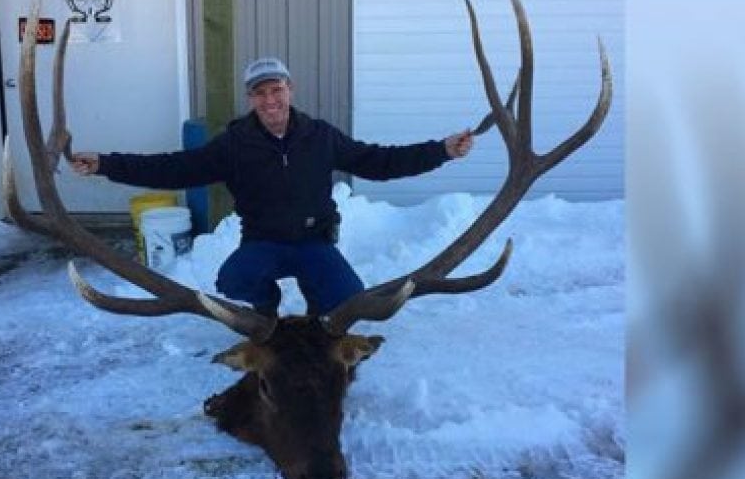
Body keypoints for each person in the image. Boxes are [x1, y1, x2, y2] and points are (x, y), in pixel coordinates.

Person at [70, 57, 474, 317]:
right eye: (260, 93)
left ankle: (320, 314)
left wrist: (441, 150)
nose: (270, 100)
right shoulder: (233, 144)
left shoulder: (320, 136)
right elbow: (174, 169)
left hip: (315, 244)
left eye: (276, 89)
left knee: (349, 304)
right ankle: (267, 316)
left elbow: (380, 162)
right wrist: (106, 164)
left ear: (290, 90)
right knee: (233, 284)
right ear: (251, 99)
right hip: (262, 243)